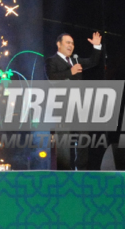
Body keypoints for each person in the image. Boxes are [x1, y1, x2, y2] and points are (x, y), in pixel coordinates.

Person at [45, 31, 103, 170]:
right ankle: (64, 171)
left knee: (83, 137)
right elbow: (52, 78)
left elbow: (92, 61)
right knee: (64, 140)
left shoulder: (76, 60)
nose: (71, 46)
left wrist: (96, 47)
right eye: (67, 42)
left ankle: (81, 169)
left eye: (72, 43)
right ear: (59, 44)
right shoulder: (51, 61)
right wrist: (70, 72)